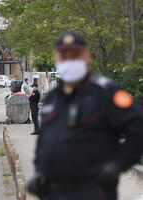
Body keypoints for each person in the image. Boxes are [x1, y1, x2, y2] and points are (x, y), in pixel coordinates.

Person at [28, 31, 143, 200]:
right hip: (54, 192)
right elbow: (44, 140)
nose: (69, 61)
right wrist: (39, 173)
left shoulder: (106, 93)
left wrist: (118, 164)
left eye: (75, 55)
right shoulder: (53, 98)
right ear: (57, 59)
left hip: (93, 191)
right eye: (64, 56)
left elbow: (138, 128)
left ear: (87, 57)